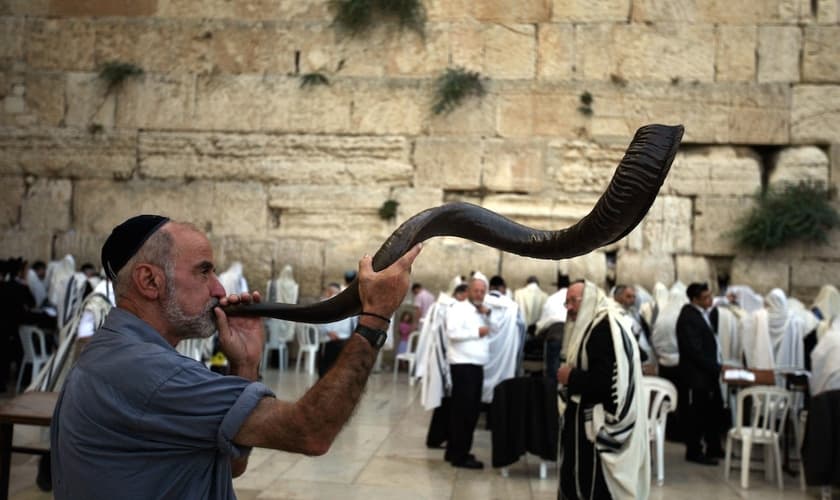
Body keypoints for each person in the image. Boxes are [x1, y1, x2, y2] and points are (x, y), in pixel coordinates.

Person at [51, 214, 421, 499]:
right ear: (150, 282)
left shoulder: (117, 353)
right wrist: (374, 319)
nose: (218, 288)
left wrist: (244, 365)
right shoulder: (150, 374)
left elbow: (230, 465)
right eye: (204, 272)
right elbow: (311, 432)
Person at [556, 281, 650, 500]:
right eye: (566, 301)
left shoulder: (602, 328)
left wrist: (571, 377)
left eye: (573, 301)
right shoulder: (595, 323)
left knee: (591, 488)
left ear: (588, 300)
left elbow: (604, 382)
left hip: (596, 427)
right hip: (585, 422)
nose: (568, 307)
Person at [444, 274, 491, 469]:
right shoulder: (458, 308)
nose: (479, 294)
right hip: (464, 367)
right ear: (468, 291)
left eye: (482, 291)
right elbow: (452, 333)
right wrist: (476, 332)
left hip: (474, 366)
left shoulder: (478, 310)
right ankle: (460, 457)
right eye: (476, 290)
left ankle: (454, 451)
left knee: (464, 412)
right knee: (466, 413)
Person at [675, 282, 725, 465]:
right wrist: (715, 367)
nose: (710, 300)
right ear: (695, 299)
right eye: (706, 297)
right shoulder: (689, 317)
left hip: (706, 374)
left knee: (711, 412)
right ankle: (694, 450)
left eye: (710, 296)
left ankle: (714, 447)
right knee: (696, 415)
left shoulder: (703, 314)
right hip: (696, 376)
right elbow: (694, 350)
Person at [317, 282, 357, 377]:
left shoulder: (327, 302)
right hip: (336, 339)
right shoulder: (345, 303)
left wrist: (330, 333)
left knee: (329, 369)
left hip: (335, 340)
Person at [613, 284, 655, 369]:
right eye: (628, 296)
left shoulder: (633, 312)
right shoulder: (615, 314)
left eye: (634, 297)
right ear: (618, 297)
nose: (632, 300)